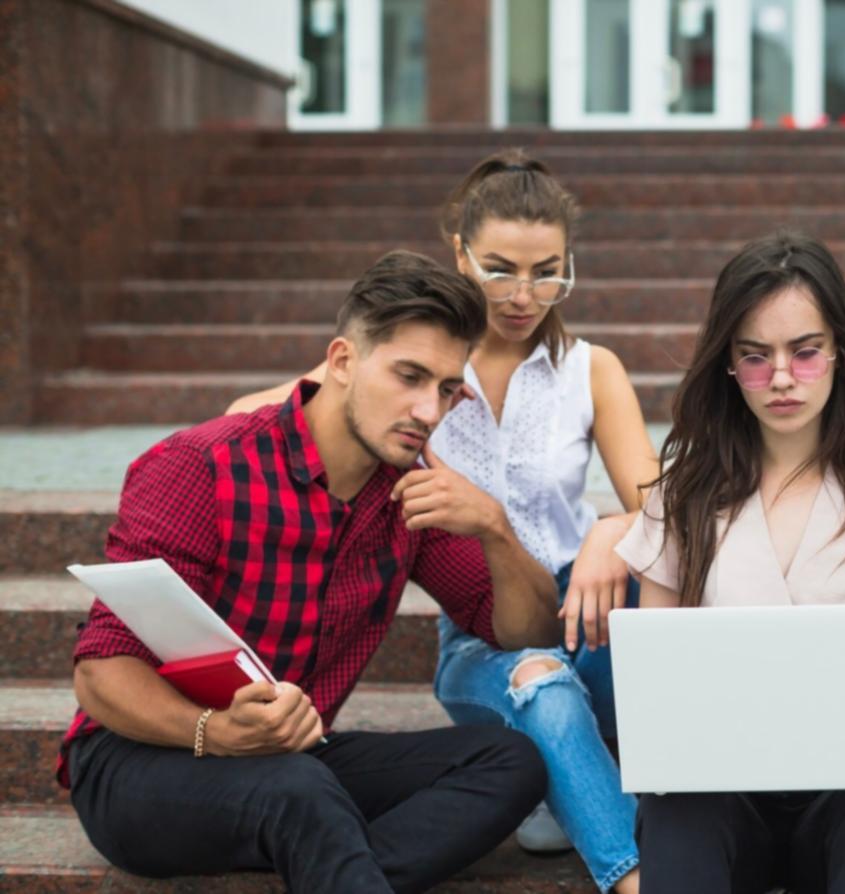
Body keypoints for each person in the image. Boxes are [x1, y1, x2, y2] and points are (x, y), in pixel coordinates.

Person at [61, 250, 556, 893]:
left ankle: (331, 870)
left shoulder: (410, 494)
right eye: (409, 375)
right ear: (344, 361)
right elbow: (100, 673)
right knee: (299, 788)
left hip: (289, 759)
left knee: (510, 761)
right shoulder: (201, 465)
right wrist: (215, 732)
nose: (428, 412)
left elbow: (522, 628)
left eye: (444, 388)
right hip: (142, 760)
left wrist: (495, 528)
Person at [227, 151, 655, 894]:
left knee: (673, 635)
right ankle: (635, 874)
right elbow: (245, 418)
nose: (525, 295)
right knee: (540, 679)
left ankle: (571, 775)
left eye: (548, 271)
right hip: (480, 627)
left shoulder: (592, 369)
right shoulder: (419, 369)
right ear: (458, 252)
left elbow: (658, 502)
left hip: (590, 603)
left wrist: (611, 529)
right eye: (499, 269)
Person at [613, 231, 845, 894]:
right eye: (755, 357)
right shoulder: (681, 493)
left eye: (804, 353)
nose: (781, 378)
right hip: (720, 796)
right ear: (727, 364)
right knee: (675, 811)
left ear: (839, 350)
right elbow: (653, 689)